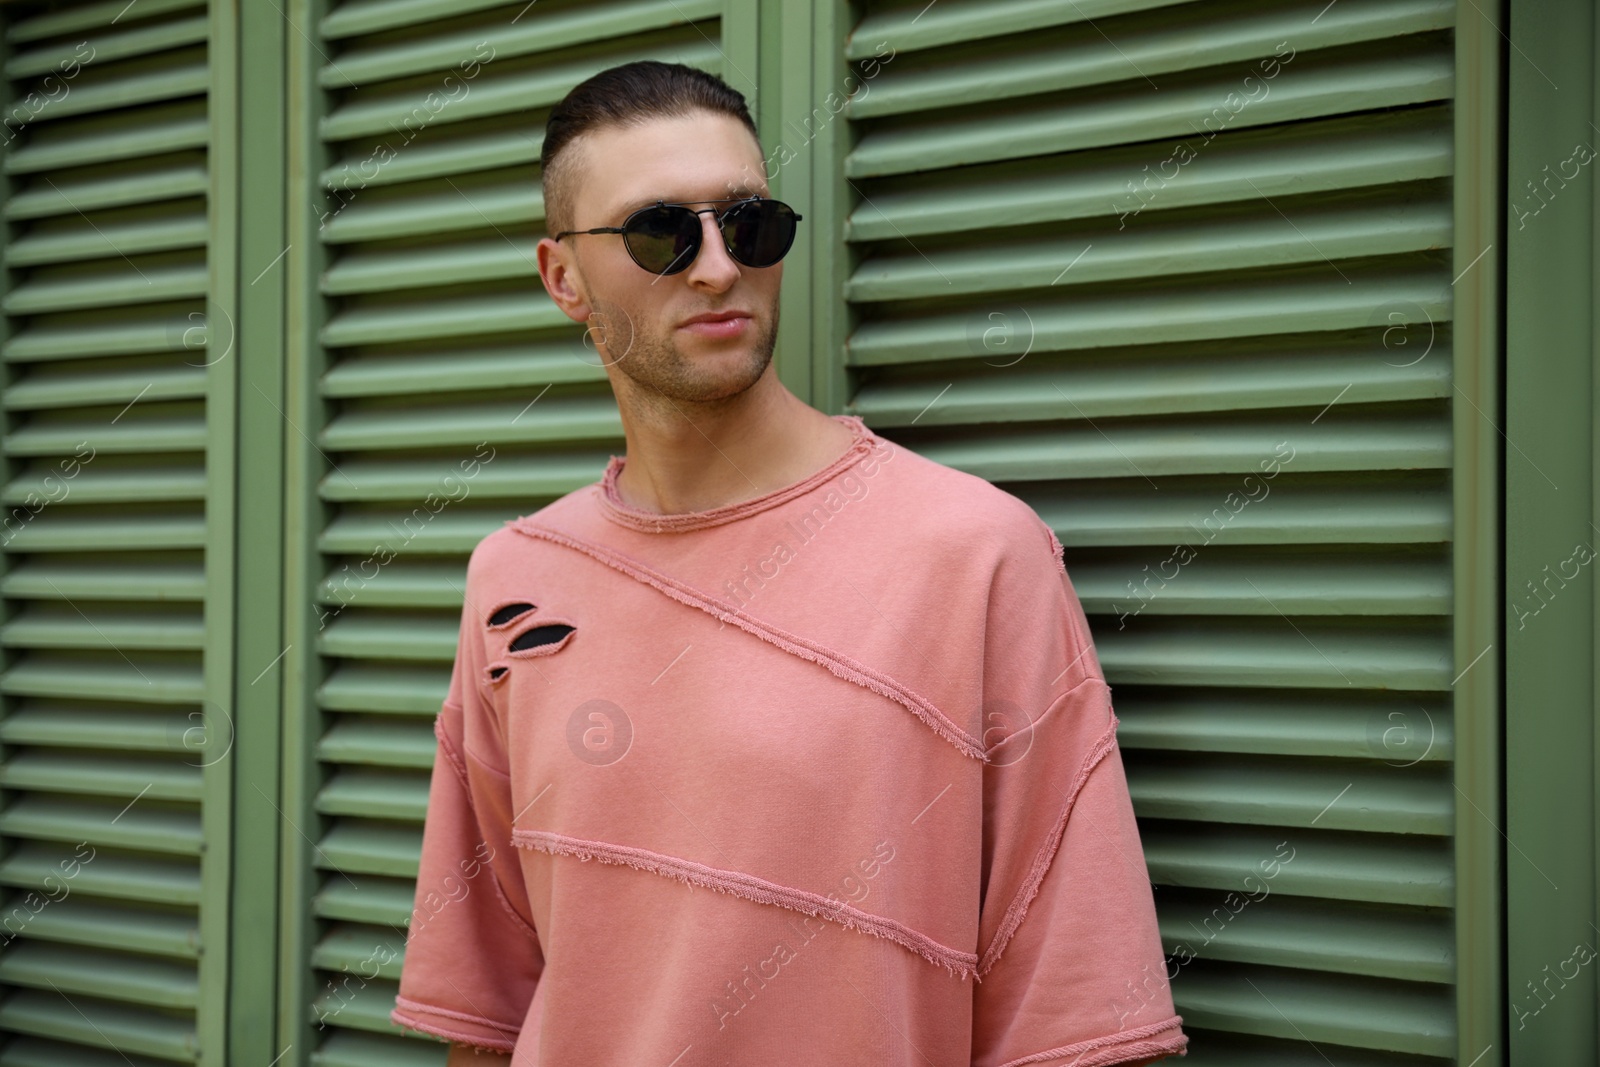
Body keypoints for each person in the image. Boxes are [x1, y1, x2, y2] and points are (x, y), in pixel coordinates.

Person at [389, 59, 1188, 1067]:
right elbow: (488, 1008)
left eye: (748, 222)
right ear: (563, 277)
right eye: (660, 232)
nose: (717, 266)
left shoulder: (974, 552)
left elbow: (1081, 1017)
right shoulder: (516, 577)